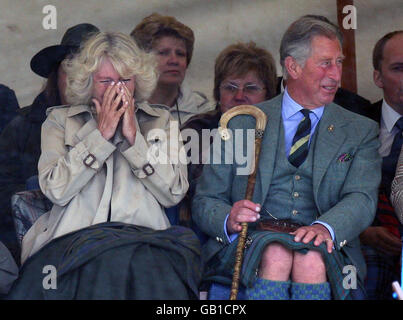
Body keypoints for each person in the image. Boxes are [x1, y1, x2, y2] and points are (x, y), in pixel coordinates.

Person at [192, 15, 381, 300]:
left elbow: (362, 198)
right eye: (325, 63)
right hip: (250, 241)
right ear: (293, 66)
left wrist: (326, 227)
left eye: (339, 62)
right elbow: (206, 200)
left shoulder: (360, 130)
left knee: (310, 259)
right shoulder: (242, 123)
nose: (336, 74)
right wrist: (229, 217)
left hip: (328, 244)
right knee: (277, 255)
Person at [7, 32, 201, 300]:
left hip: (143, 241)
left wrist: (135, 142)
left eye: (125, 80)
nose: (117, 90)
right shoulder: (60, 121)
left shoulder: (161, 121)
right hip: (74, 242)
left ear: (138, 82)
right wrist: (100, 136)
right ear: (89, 83)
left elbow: (173, 193)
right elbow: (55, 190)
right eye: (106, 81)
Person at [0, 23, 99, 265]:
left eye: (88, 74)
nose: (78, 83)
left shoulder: (124, 128)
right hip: (35, 251)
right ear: (56, 76)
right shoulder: (21, 125)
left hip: (102, 248)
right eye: (71, 71)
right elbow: (2, 193)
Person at [180, 42, 277, 229]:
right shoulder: (197, 129)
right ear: (217, 92)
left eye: (251, 88)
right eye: (230, 87)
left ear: (269, 94)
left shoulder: (281, 131)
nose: (239, 96)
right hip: (206, 231)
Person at [359, 30, 403, 300]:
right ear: (378, 77)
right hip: (366, 246)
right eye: (399, 69)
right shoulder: (355, 126)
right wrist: (361, 232)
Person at [130, 13, 214, 129]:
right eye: (163, 53)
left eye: (180, 54)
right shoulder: (125, 109)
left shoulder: (204, 111)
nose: (174, 60)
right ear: (141, 59)